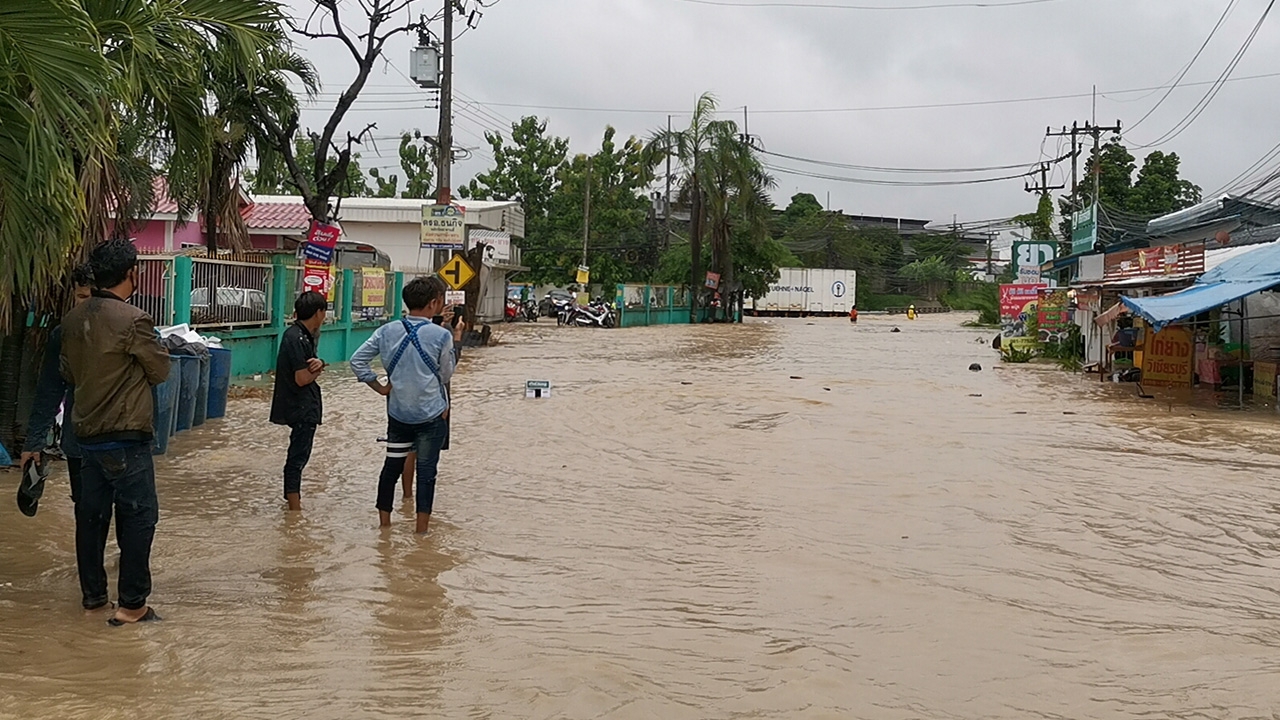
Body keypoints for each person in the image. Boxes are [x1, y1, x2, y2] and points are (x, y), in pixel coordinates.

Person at [60, 239, 170, 626]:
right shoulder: (134, 319)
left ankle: (93, 599)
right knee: (139, 518)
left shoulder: (72, 320)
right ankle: (132, 606)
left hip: (85, 436)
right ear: (132, 274)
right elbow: (160, 371)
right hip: (126, 437)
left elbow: (68, 374)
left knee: (90, 520)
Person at [18, 266, 101, 607]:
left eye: (92, 297)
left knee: (129, 514)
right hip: (80, 442)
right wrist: (34, 443)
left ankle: (128, 595)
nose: (86, 304)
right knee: (87, 515)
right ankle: (93, 593)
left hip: (123, 442)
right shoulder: (64, 334)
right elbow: (49, 391)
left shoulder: (132, 329)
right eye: (81, 297)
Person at [351, 276, 455, 534]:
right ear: (434, 303)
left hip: (398, 414)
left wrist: (379, 386)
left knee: (391, 468)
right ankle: (421, 532)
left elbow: (357, 361)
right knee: (427, 472)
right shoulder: (441, 335)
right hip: (431, 416)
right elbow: (445, 375)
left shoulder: (386, 330)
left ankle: (385, 526)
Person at [400, 303, 465, 501]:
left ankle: (407, 497)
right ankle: (420, 509)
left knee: (409, 449)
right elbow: (448, 369)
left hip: (406, 397)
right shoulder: (441, 336)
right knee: (425, 456)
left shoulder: (399, 330)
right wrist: (457, 335)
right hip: (433, 400)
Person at [269, 291, 327, 512]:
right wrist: (319, 369)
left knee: (298, 456)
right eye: (323, 312)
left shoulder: (301, 335)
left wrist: (319, 363)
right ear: (318, 313)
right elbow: (302, 378)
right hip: (301, 406)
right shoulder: (297, 338)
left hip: (300, 405)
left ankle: (291, 502)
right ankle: (294, 508)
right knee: (298, 458)